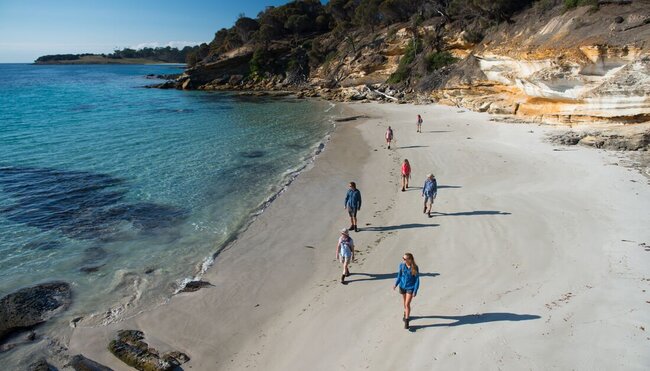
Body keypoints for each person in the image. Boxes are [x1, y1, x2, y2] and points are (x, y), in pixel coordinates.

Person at [393, 253, 420, 330]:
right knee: (405, 303)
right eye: (403, 258)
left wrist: (415, 290)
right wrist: (396, 284)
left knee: (407, 303)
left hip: (410, 288)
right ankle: (405, 313)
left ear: (410, 259)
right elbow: (399, 276)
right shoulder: (401, 266)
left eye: (405, 259)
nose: (403, 260)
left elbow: (417, 280)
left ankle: (407, 321)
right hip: (402, 286)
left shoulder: (415, 267)